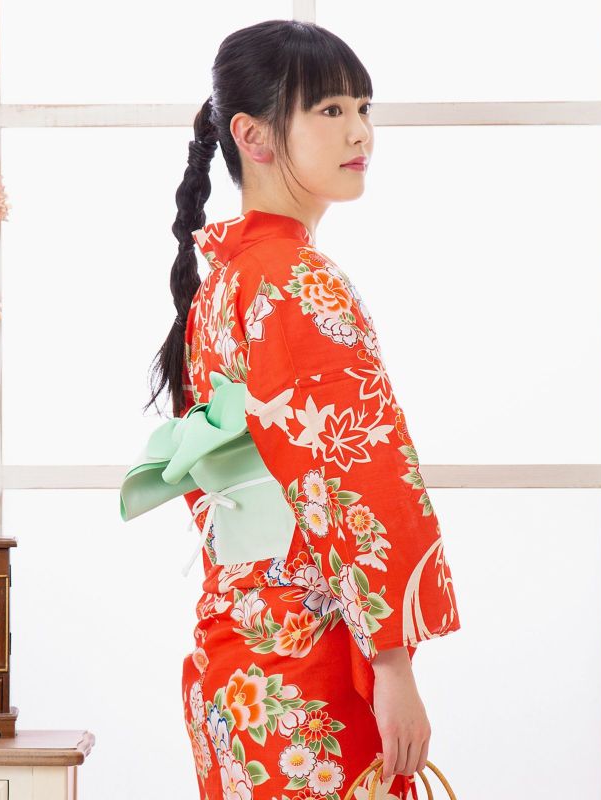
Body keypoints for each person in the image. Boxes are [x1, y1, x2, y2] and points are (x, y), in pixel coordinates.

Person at [144, 19, 462, 800]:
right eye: (328, 110)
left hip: (239, 655)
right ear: (252, 135)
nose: (360, 132)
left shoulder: (227, 280)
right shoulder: (294, 280)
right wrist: (392, 665)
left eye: (363, 108)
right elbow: (357, 474)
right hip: (308, 666)